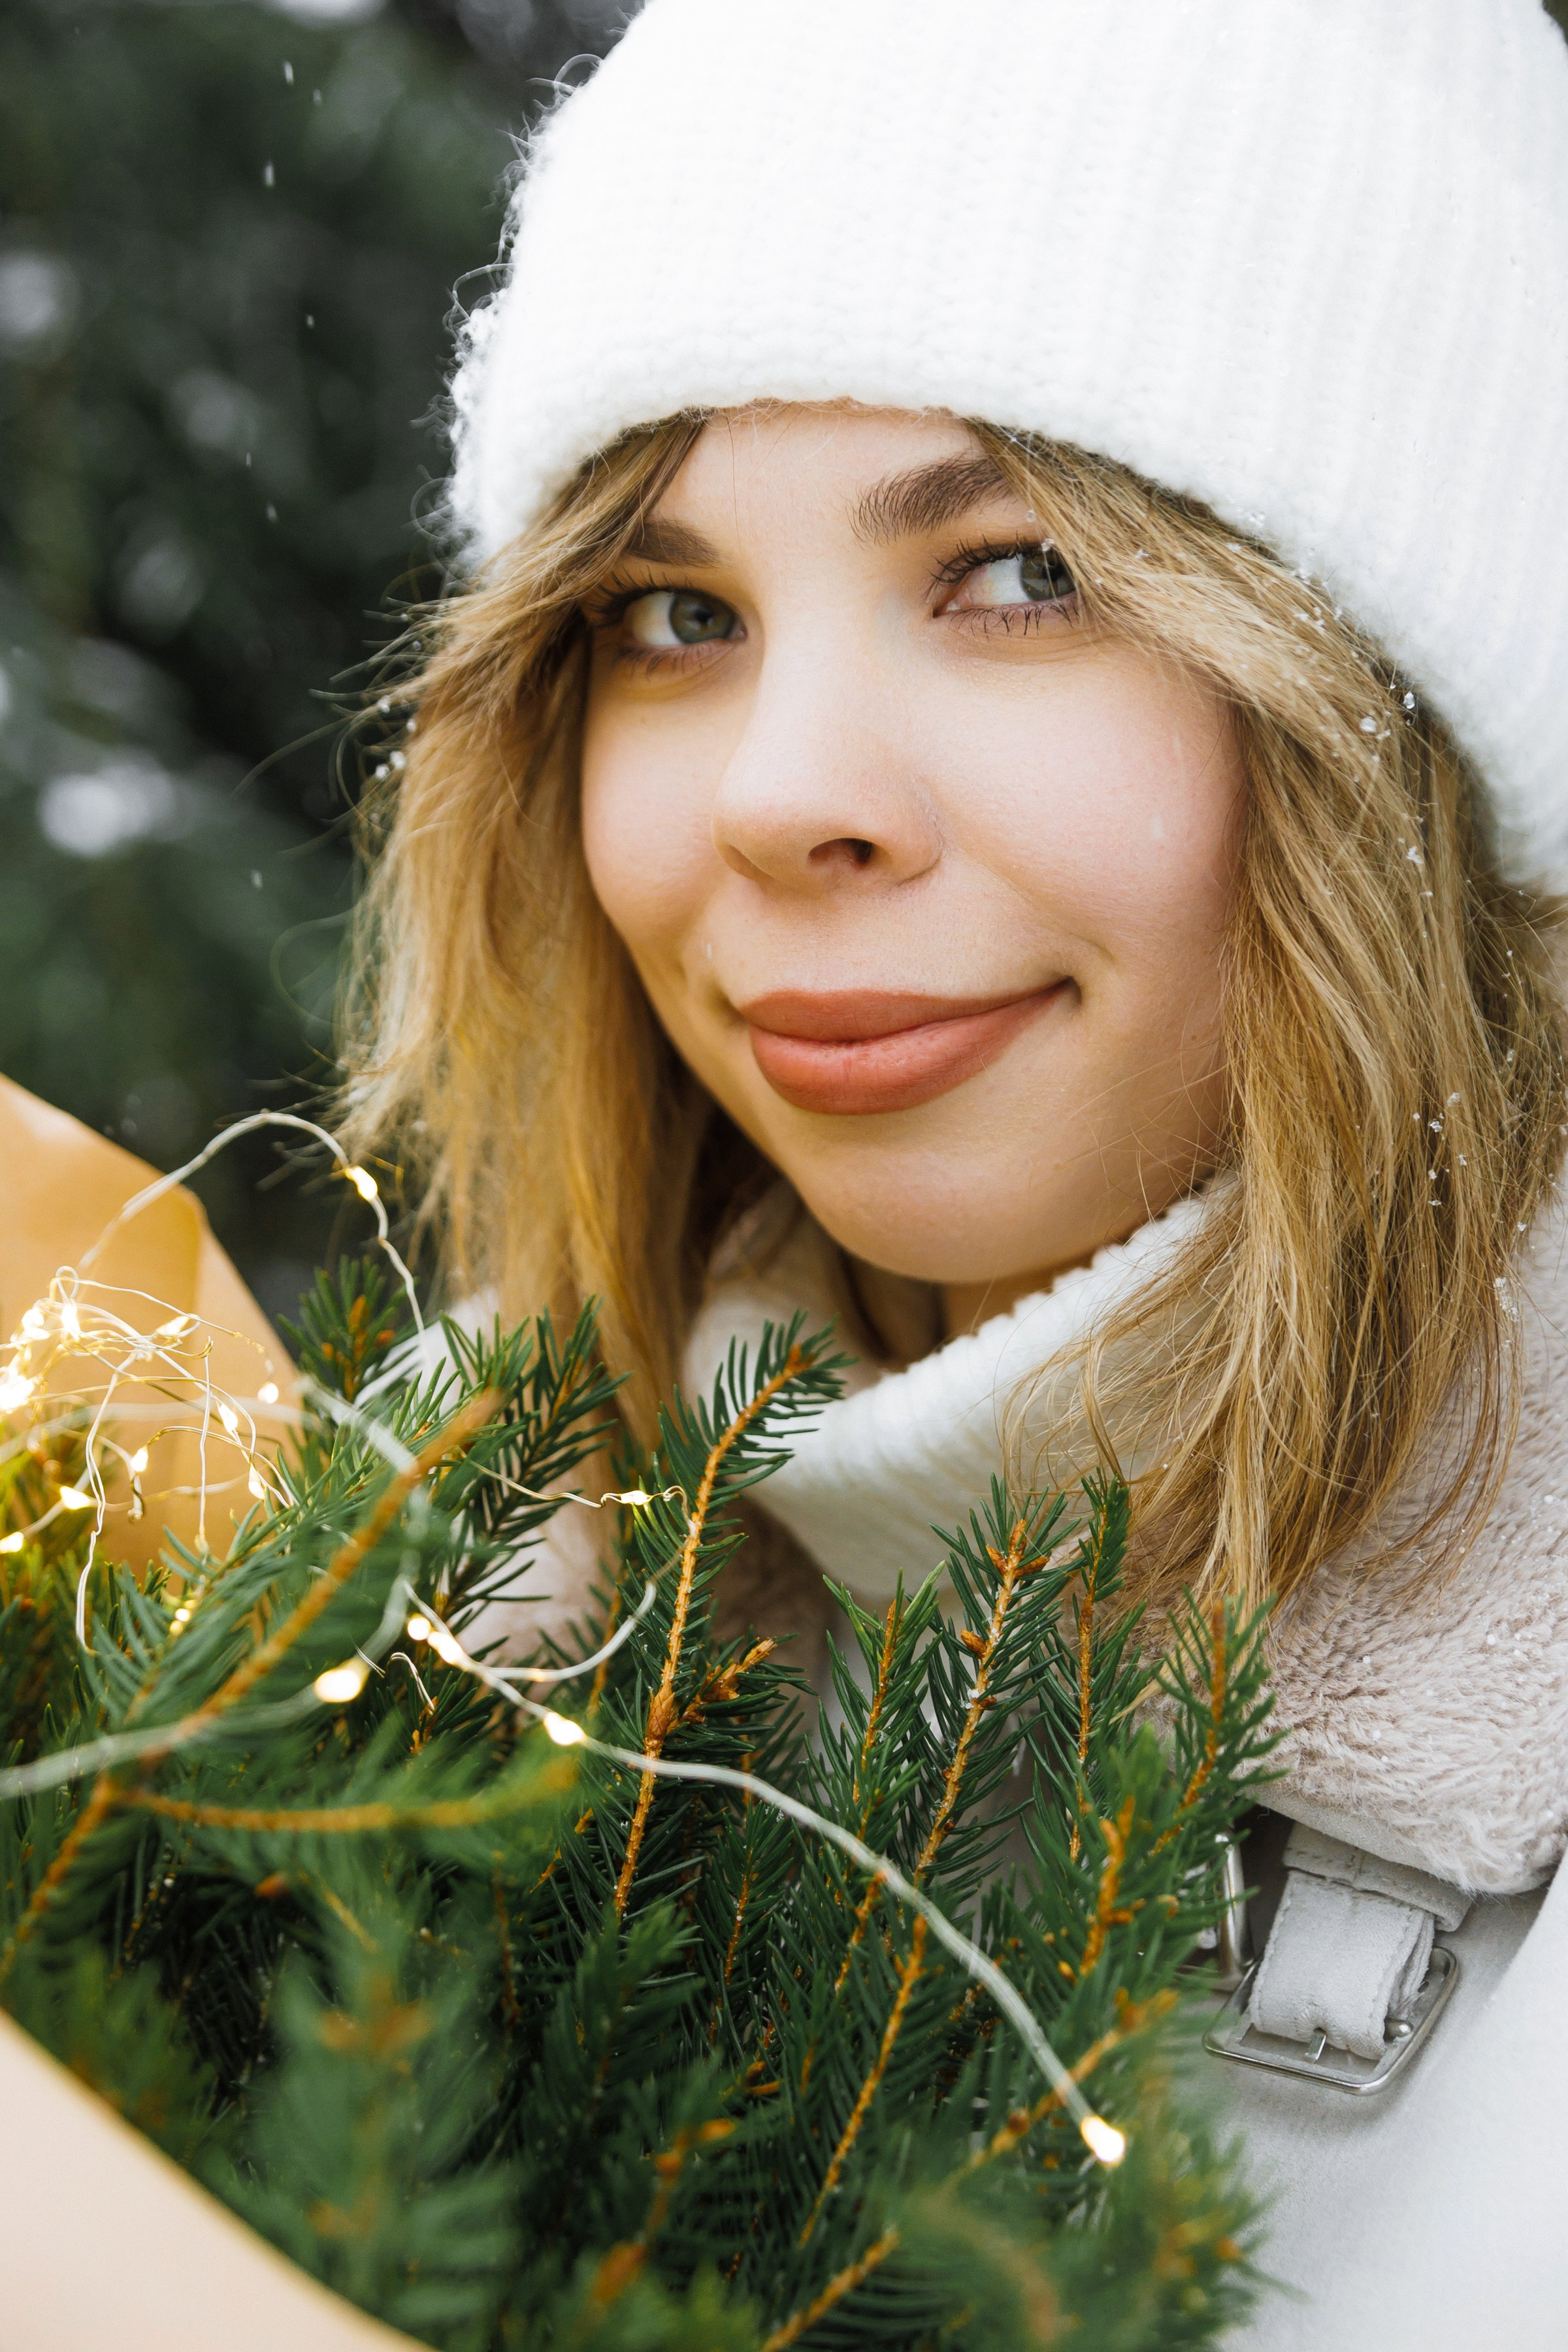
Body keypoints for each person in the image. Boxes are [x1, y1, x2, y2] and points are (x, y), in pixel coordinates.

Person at [340, 4, 1568, 2342]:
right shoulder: (387, 1589)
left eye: (1017, 574)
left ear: (1401, 714)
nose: (778, 791)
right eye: (672, 617)